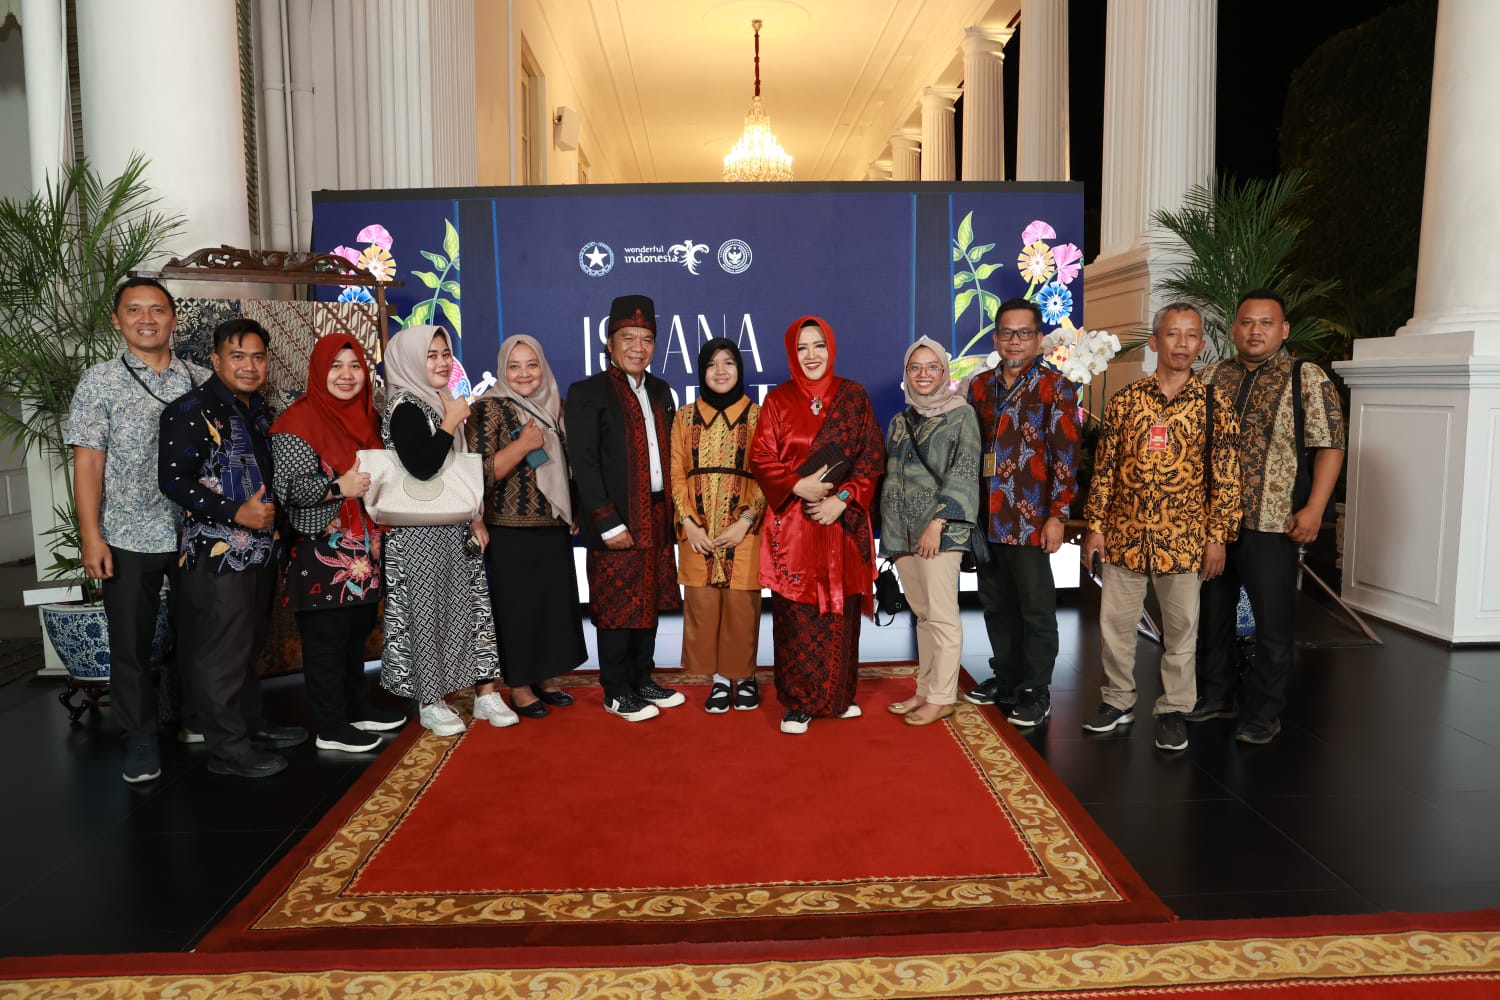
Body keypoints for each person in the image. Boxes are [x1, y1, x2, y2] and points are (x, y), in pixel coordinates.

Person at [66, 278, 211, 784]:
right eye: (134, 310)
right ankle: (141, 741)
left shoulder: (200, 378)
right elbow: (87, 464)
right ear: (117, 320)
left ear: (174, 319)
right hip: (127, 532)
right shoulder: (99, 382)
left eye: (157, 309)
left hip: (196, 531)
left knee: (203, 636)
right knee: (131, 645)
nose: (146, 319)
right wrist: (92, 536)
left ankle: (200, 721)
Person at [1080, 303, 1242, 752]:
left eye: (1192, 336)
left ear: (1201, 345)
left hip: (1185, 540)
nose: (1183, 343)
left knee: (1181, 630)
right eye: (1173, 334)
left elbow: (1226, 476)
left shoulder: (1215, 405)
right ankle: (1117, 700)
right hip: (1125, 535)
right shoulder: (1126, 401)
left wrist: (1218, 537)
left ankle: (1173, 708)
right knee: (1115, 626)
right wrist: (1094, 526)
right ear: (1155, 342)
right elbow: (1106, 467)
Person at [1191, 289, 1346, 744]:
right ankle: (1216, 697)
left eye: (1265, 323)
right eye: (1245, 322)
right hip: (1215, 523)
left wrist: (1315, 508)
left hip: (1275, 522)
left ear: (1284, 330)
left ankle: (1263, 712)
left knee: (1272, 622)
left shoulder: (1307, 377)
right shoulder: (1213, 375)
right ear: (1233, 329)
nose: (1254, 331)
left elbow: (1330, 445)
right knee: (1213, 615)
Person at [158, 318, 307, 777]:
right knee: (221, 654)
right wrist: (234, 512)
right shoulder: (189, 409)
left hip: (261, 549)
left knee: (247, 646)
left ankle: (251, 725)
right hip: (216, 553)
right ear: (216, 359)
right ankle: (228, 749)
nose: (249, 365)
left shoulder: (257, 409)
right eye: (238, 356)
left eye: (258, 357)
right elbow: (173, 480)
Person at [270, 335, 407, 753]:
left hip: (365, 551)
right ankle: (330, 725)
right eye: (336, 366)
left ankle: (357, 707)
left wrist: (380, 532)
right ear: (318, 370)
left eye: (354, 366)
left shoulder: (368, 418)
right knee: (326, 641)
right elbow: (287, 490)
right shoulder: (297, 422)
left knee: (356, 635)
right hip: (321, 551)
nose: (347, 375)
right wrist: (337, 486)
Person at [750, 316, 885, 735]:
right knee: (797, 615)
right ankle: (798, 703)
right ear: (792, 352)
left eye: (819, 345)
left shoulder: (854, 397)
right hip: (794, 526)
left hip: (840, 524)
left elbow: (871, 457)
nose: (811, 355)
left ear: (831, 348)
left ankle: (837, 697)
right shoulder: (778, 401)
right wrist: (797, 484)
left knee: (840, 614)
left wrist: (841, 501)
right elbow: (760, 456)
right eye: (803, 347)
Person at [378, 324, 509, 735]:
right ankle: (430, 702)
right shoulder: (404, 405)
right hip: (417, 534)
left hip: (453, 527)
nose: (441, 362)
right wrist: (450, 422)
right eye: (430, 355)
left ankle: (486, 694)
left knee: (471, 610)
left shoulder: (440, 399)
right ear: (410, 360)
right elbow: (422, 466)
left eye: (445, 354)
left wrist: (475, 515)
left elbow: (457, 472)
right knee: (426, 615)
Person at [565, 294, 685, 722]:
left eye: (647, 338)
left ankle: (642, 678)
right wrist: (606, 520)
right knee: (617, 605)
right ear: (610, 340)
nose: (638, 346)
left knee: (647, 602)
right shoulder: (587, 393)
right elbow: (585, 463)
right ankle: (616, 689)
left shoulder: (661, 391)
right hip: (615, 516)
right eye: (628, 336)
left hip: (656, 514)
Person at [963, 297, 1080, 727]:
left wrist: (1058, 515)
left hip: (1031, 518)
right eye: (1007, 333)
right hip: (987, 517)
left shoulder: (1057, 386)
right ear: (996, 338)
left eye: (1024, 332)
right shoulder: (979, 386)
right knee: (996, 603)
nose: (1015, 340)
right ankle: (1008, 677)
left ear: (1039, 339)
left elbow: (1066, 456)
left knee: (1035, 606)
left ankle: (1036, 689)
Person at [465, 334, 586, 718]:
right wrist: (521, 445)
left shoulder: (558, 405)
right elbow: (477, 474)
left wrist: (576, 509)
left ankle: (546, 677)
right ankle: (519, 685)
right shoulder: (488, 408)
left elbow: (571, 467)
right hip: (508, 527)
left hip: (552, 524)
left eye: (531, 364)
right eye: (514, 366)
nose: (523, 373)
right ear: (503, 369)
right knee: (518, 609)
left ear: (543, 366)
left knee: (550, 605)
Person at [879, 338, 981, 727]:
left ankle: (942, 696)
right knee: (922, 615)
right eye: (915, 368)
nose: (923, 375)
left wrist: (938, 524)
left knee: (941, 615)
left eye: (931, 367)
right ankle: (924, 689)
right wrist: (892, 535)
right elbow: (892, 477)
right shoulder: (901, 421)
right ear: (906, 374)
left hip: (941, 532)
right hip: (903, 536)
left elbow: (964, 472)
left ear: (944, 373)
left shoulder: (961, 416)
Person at [670, 338, 766, 712]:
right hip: (698, 526)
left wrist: (746, 518)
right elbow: (677, 472)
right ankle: (721, 680)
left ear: (740, 369)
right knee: (704, 604)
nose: (721, 371)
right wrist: (688, 522)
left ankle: (745, 676)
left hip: (744, 526)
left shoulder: (758, 416)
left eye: (729, 362)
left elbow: (766, 473)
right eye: (712, 364)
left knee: (742, 605)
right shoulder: (684, 416)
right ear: (701, 371)